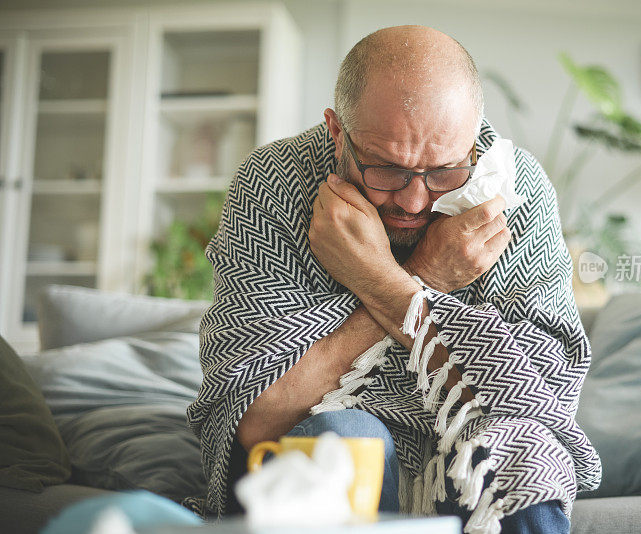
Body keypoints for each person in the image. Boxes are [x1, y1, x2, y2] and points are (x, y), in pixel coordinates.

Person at [186, 25, 601, 534]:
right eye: (386, 169)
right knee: (345, 437)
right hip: (321, 440)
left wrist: (385, 279)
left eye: (444, 171)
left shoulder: (514, 188)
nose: (414, 201)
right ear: (337, 131)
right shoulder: (273, 181)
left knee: (521, 456)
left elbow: (538, 400)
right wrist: (425, 278)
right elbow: (256, 418)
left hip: (458, 451)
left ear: (473, 138)